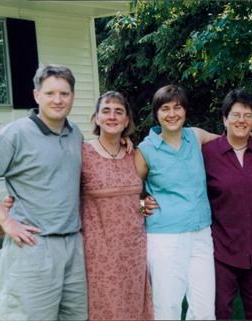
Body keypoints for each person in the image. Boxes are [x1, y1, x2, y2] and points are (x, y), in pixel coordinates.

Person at [137, 85, 252, 320]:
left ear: (185, 111)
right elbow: (130, 189)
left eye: (177, 107)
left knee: (203, 309)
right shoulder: (145, 149)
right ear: (156, 113)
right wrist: (142, 205)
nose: (172, 114)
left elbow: (230, 138)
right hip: (166, 236)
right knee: (167, 306)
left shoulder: (195, 136)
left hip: (201, 234)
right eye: (165, 108)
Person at [0, 64, 87, 320]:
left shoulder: (75, 133)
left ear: (72, 96)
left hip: (73, 246)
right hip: (33, 246)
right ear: (36, 95)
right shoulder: (16, 133)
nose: (58, 100)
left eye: (64, 93)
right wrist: (6, 221)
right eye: (50, 93)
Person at [80, 91, 153, 320]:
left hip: (134, 249)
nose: (112, 116)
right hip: (98, 251)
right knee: (104, 309)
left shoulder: (135, 155)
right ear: (96, 119)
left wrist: (145, 205)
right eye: (106, 111)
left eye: (118, 111)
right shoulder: (83, 154)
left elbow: (140, 195)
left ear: (126, 121)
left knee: (134, 309)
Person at [202, 89, 252, 319]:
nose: (242, 120)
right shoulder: (207, 153)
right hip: (221, 250)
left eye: (248, 116)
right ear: (224, 119)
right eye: (235, 115)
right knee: (220, 312)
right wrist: (144, 204)